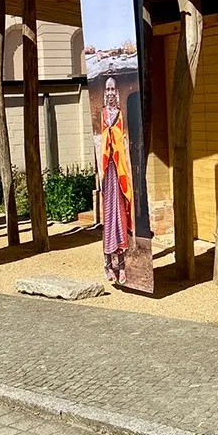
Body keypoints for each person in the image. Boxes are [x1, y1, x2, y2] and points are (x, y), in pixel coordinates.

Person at [99, 77, 133, 285]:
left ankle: (120, 264)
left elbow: (124, 142)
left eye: (113, 89)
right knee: (107, 217)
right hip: (106, 170)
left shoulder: (121, 115)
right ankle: (107, 263)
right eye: (108, 89)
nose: (111, 92)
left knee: (120, 216)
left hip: (118, 171)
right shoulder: (101, 115)